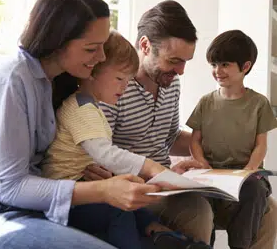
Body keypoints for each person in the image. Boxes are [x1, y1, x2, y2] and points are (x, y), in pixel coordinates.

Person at [0, 0, 166, 249]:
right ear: (57, 41)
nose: (100, 57)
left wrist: (88, 174)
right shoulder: (10, 78)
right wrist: (102, 190)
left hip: (30, 204)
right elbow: (9, 186)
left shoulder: (53, 82)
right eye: (92, 49)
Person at [96, 1, 277, 248]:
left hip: (169, 183)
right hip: (138, 186)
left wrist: (215, 161)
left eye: (185, 62)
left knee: (268, 208)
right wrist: (158, 174)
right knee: (196, 210)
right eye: (173, 61)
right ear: (146, 46)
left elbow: (170, 137)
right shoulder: (115, 87)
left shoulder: (171, 85)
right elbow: (100, 151)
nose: (180, 71)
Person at [41, 30, 195, 249]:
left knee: (137, 208)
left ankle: (163, 235)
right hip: (69, 201)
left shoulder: (92, 107)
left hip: (85, 189)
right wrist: (150, 168)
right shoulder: (82, 109)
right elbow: (105, 153)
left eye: (128, 80)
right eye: (120, 79)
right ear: (91, 72)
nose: (124, 87)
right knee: (117, 208)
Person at [186, 30, 277, 249]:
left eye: (225, 64)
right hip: (210, 174)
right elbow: (195, 141)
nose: (217, 71)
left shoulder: (259, 104)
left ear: (245, 67)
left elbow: (260, 144)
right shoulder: (205, 102)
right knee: (198, 200)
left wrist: (249, 169)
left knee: (254, 192)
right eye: (214, 65)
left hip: (246, 175)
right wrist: (203, 164)